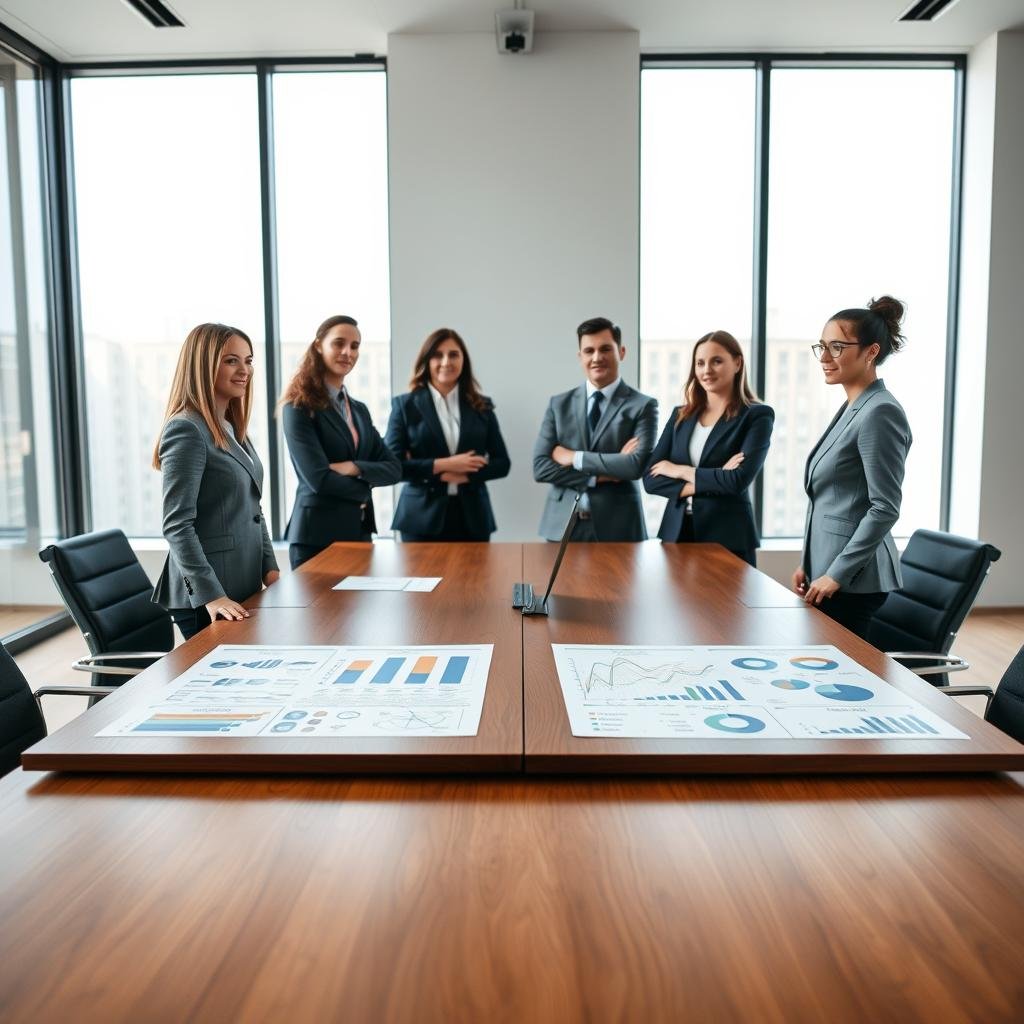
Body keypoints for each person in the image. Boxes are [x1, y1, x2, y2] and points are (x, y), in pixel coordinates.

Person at [793, 296, 913, 639]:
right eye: (822, 347)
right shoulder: (856, 406)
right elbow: (835, 499)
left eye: (837, 347)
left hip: (855, 581)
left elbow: (884, 507)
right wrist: (812, 562)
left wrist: (837, 573)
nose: (825, 358)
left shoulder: (880, 412)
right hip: (829, 571)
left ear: (871, 352)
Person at [152, 323, 279, 640]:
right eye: (231, 360)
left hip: (242, 583)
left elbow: (253, 508)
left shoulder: (231, 428)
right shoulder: (186, 429)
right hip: (207, 599)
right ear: (202, 365)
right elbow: (177, 524)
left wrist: (271, 569)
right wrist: (211, 595)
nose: (244, 370)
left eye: (248, 360)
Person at [643, 330, 774, 566]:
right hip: (677, 534)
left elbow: (737, 481)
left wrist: (679, 471)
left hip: (728, 536)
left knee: (729, 604)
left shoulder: (757, 415)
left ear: (737, 363)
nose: (706, 370)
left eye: (717, 361)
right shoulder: (680, 415)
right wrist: (717, 476)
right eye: (700, 363)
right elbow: (650, 480)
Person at [281, 315, 401, 569]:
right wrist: (365, 487)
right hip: (316, 539)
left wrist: (354, 467)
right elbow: (318, 478)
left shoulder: (359, 410)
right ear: (318, 346)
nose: (348, 352)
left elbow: (394, 468)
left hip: (359, 533)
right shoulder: (298, 407)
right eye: (339, 343)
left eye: (355, 346)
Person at [533, 317, 658, 541]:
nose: (597, 358)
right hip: (561, 528)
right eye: (589, 350)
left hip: (619, 527)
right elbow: (541, 468)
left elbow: (635, 466)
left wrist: (573, 457)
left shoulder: (643, 406)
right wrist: (601, 475)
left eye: (605, 349)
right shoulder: (558, 404)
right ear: (580, 356)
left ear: (621, 352)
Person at [386, 327, 510, 541]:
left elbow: (502, 463)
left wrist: (465, 474)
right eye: (437, 355)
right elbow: (393, 467)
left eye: (453, 354)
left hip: (473, 518)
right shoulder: (404, 406)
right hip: (420, 519)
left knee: (475, 576)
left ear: (464, 360)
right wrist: (444, 465)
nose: (446, 362)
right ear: (426, 361)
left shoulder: (482, 406)